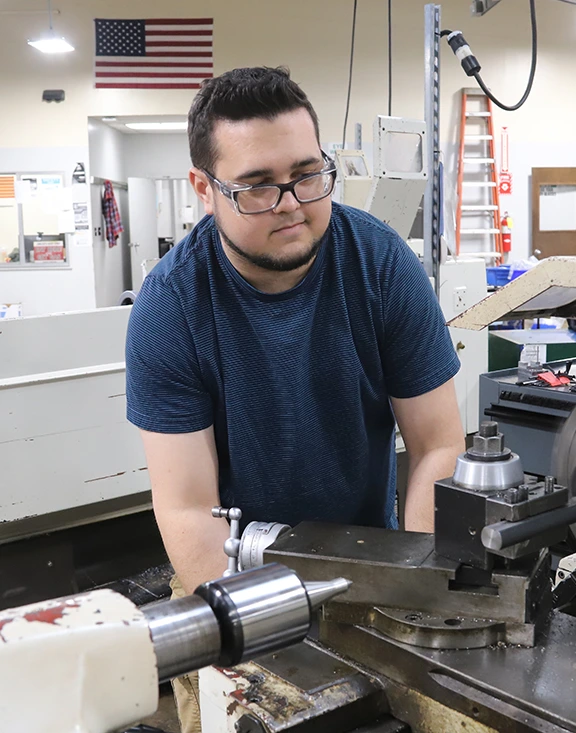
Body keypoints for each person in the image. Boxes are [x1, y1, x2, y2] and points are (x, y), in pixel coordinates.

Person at [125, 66, 466, 732]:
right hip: (228, 576)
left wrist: (419, 590)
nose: (291, 203)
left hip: (369, 563)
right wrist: (265, 645)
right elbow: (188, 509)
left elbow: (437, 445)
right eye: (256, 185)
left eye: (308, 174)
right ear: (204, 189)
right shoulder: (171, 307)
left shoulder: (381, 265)